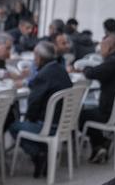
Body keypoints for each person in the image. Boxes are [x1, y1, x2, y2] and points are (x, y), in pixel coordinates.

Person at [8, 41, 73, 177]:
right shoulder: (61, 70)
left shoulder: (44, 74)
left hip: (48, 125)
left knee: (14, 125)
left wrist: (28, 119)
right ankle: (44, 151)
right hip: (64, 123)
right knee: (25, 123)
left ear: (38, 57)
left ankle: (38, 154)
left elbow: (34, 104)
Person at [79, 34, 115, 163]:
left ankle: (98, 145)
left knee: (80, 115)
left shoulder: (114, 62)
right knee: (90, 112)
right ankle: (103, 143)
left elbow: (92, 73)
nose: (100, 50)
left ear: (111, 48)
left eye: (102, 47)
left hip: (110, 113)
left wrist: (85, 68)